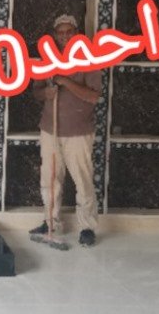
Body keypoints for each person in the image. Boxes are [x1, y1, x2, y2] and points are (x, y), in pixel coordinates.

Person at [28, 14, 103, 248]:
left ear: (76, 33)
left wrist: (66, 82)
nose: (64, 37)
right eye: (60, 33)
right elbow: (36, 92)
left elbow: (94, 96)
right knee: (50, 179)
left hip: (78, 131)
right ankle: (50, 223)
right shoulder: (47, 58)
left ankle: (87, 227)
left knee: (83, 180)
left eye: (68, 32)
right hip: (50, 130)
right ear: (54, 35)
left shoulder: (89, 58)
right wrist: (46, 93)